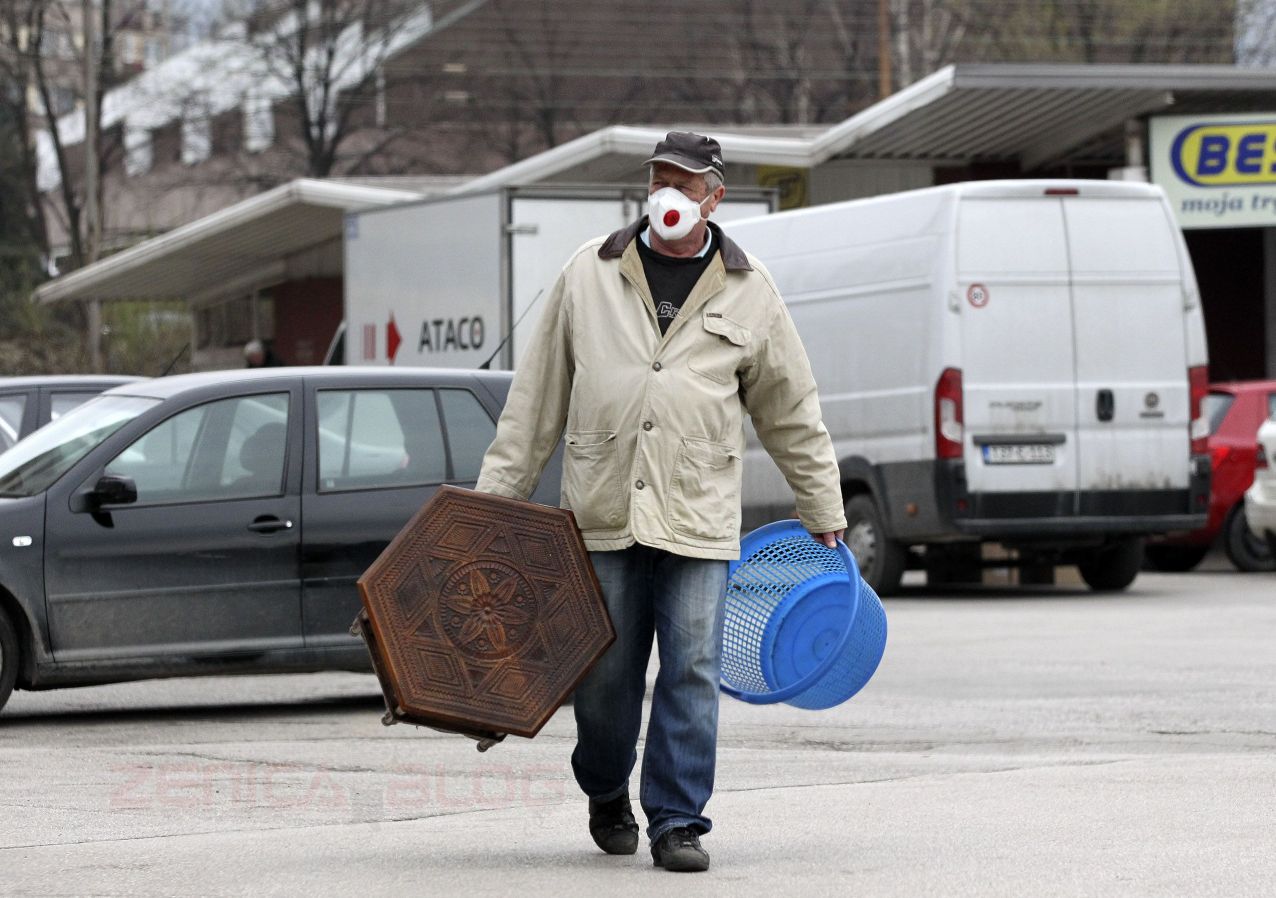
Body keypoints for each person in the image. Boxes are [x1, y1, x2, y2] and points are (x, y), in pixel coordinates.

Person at [474, 131, 845, 873]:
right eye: (659, 178)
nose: (668, 192)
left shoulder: (750, 288)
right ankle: (605, 786)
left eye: (685, 181)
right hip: (604, 512)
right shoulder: (590, 272)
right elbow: (534, 403)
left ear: (715, 197)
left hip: (697, 515)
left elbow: (790, 410)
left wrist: (823, 506)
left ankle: (677, 821)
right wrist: (493, 506)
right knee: (605, 676)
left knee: (692, 670)